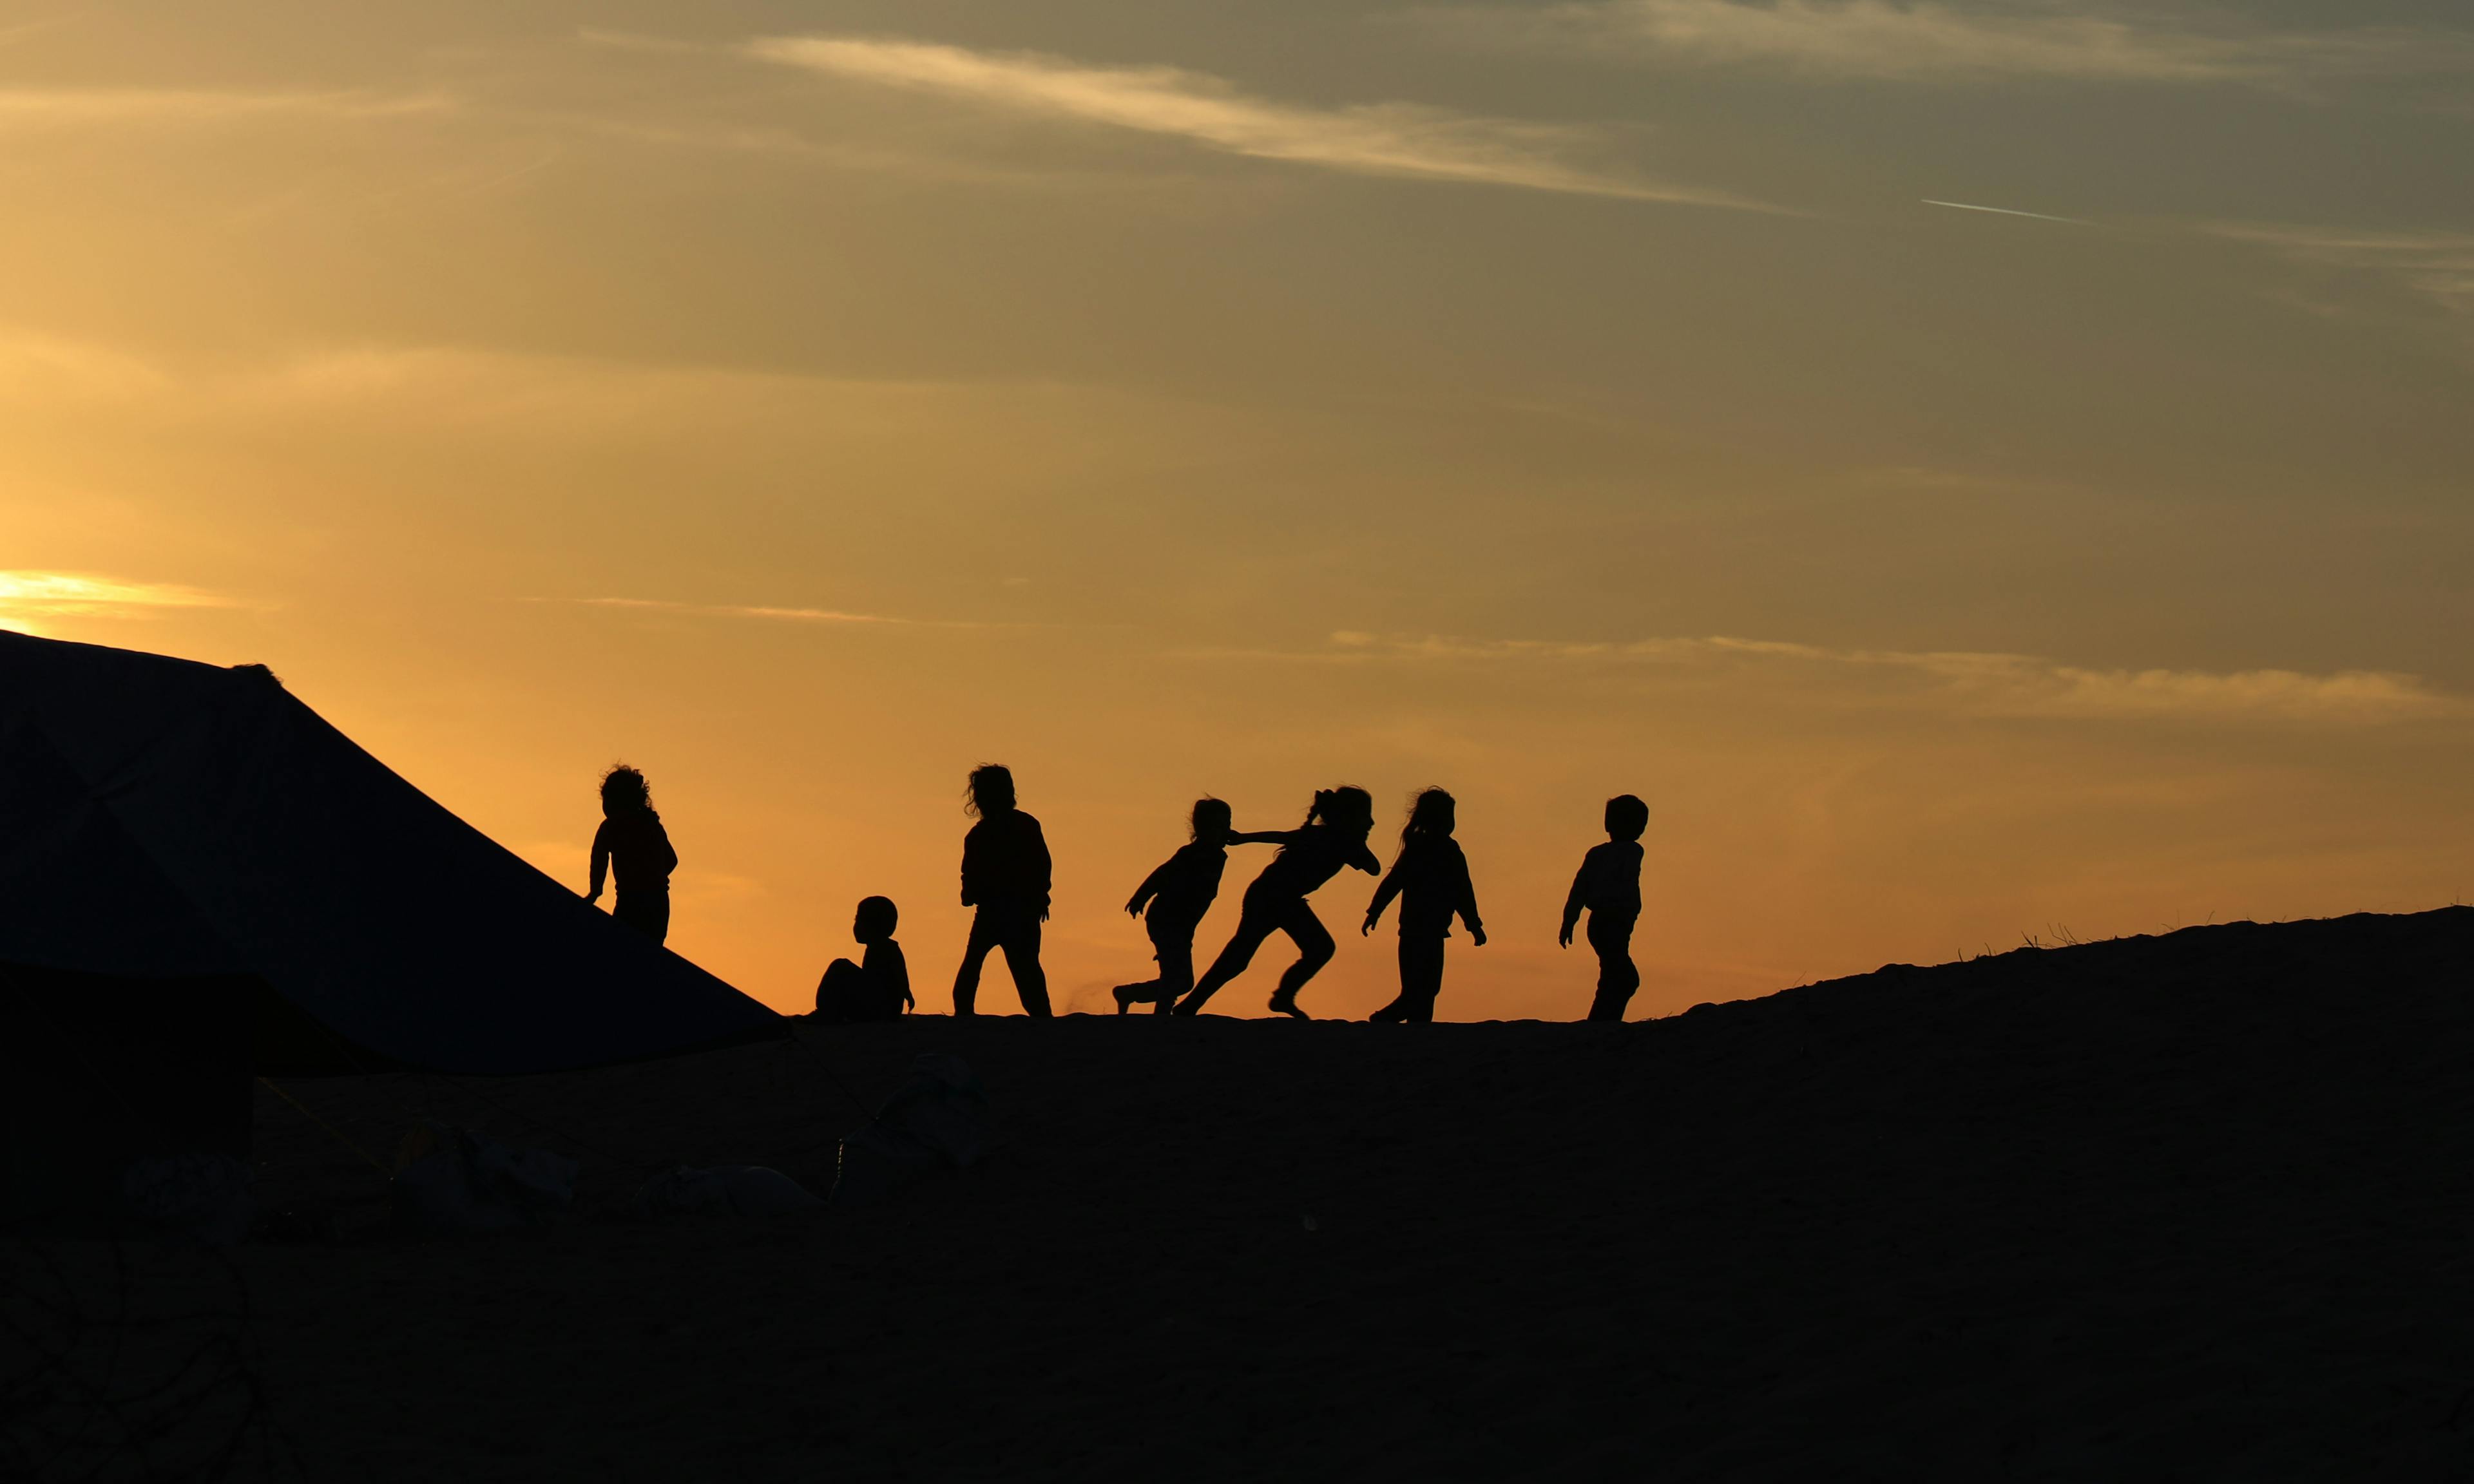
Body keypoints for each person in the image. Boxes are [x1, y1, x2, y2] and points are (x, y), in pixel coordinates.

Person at [1174, 786, 1380, 1021]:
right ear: (1348, 817)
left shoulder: (1335, 840)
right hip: (1272, 897)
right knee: (1248, 955)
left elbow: (1373, 868)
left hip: (1280, 898)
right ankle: (1277, 997)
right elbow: (1372, 867)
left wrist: (1245, 838)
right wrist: (1245, 839)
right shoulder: (1332, 840)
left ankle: (1195, 1004)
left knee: (1244, 956)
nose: (1372, 822)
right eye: (1366, 816)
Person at [1362, 788, 1484, 1023]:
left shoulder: (1441, 851)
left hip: (1429, 931)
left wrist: (1473, 925)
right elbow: (1395, 883)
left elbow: (1462, 893)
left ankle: (1417, 1032)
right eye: (1448, 817)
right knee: (1420, 991)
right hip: (1418, 931)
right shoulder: (1432, 851)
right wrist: (1374, 911)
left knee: (1426, 990)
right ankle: (1382, 1021)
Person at [1113, 798, 1234, 1015]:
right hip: (1167, 919)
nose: (1227, 830)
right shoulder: (1192, 853)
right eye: (1221, 825)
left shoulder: (1216, 855)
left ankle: (1129, 994)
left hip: (1182, 924)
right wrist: (1141, 897)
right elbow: (1162, 874)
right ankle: (1162, 1017)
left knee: (1183, 981)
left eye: (1228, 824)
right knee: (1174, 977)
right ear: (1203, 828)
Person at [952, 764, 1053, 1018]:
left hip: (997, 910)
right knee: (1025, 967)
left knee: (976, 964)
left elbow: (970, 873)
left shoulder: (980, 835)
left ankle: (964, 1015)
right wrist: (1041, 896)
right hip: (1017, 910)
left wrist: (969, 893)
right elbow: (1042, 865)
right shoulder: (1024, 825)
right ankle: (1042, 1016)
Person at [1560, 794, 1648, 1022]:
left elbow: (1578, 889)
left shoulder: (1597, 854)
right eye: (1637, 823)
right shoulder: (1631, 851)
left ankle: (1603, 1021)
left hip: (1607, 922)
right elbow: (1583, 889)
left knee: (1613, 975)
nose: (1640, 830)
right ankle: (1603, 1022)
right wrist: (1569, 920)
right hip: (1610, 920)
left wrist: (1570, 920)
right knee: (1624, 976)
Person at [586, 765, 677, 945]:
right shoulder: (652, 825)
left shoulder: (611, 826)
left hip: (630, 901)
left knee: (622, 946)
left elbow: (599, 860)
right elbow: (672, 860)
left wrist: (595, 892)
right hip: (659, 903)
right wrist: (654, 878)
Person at [813, 895, 912, 1023]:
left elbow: (899, 973)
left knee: (840, 966)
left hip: (882, 1010)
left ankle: (825, 1012)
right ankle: (831, 1011)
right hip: (881, 1008)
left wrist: (906, 992)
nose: (855, 926)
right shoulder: (880, 948)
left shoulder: (886, 948)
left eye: (858, 920)